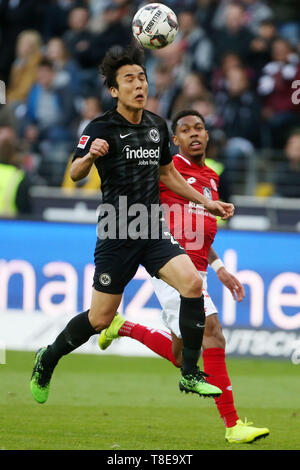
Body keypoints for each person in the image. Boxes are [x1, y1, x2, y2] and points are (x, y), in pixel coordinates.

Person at [30, 45, 234, 404]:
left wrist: (206, 202)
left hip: (153, 228)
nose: (139, 85)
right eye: (129, 79)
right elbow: (74, 173)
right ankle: (48, 358)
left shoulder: (157, 126)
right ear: (114, 90)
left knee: (191, 284)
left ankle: (189, 373)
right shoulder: (99, 127)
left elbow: (169, 175)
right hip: (118, 230)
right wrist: (90, 156)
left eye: (142, 78)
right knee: (98, 318)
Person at [98, 109, 270, 444]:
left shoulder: (211, 178)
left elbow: (201, 229)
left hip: (199, 272)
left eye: (200, 128)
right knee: (213, 333)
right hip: (170, 266)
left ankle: (122, 326)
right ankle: (233, 425)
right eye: (185, 130)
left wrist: (220, 268)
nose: (194, 134)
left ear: (207, 136)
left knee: (181, 355)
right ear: (174, 139)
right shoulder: (168, 169)